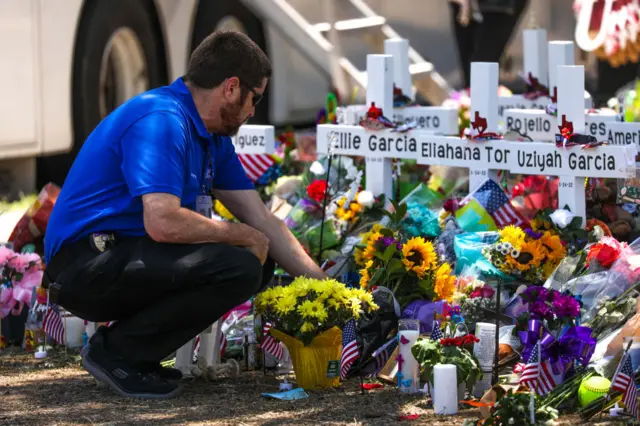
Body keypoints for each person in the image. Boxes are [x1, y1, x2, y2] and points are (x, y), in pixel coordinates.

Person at [43, 31, 327, 399]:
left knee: (255, 260)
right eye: (254, 97)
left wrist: (329, 291)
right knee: (239, 263)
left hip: (117, 257)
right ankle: (118, 352)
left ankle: (131, 351)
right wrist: (241, 235)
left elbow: (262, 219)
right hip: (82, 267)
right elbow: (162, 222)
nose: (254, 109)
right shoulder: (162, 120)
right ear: (231, 87)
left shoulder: (211, 135)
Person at [448, 0, 530, 88]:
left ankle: (479, 98)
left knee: (481, 68)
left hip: (498, 5)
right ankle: (473, 97)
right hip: (463, 5)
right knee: (471, 73)